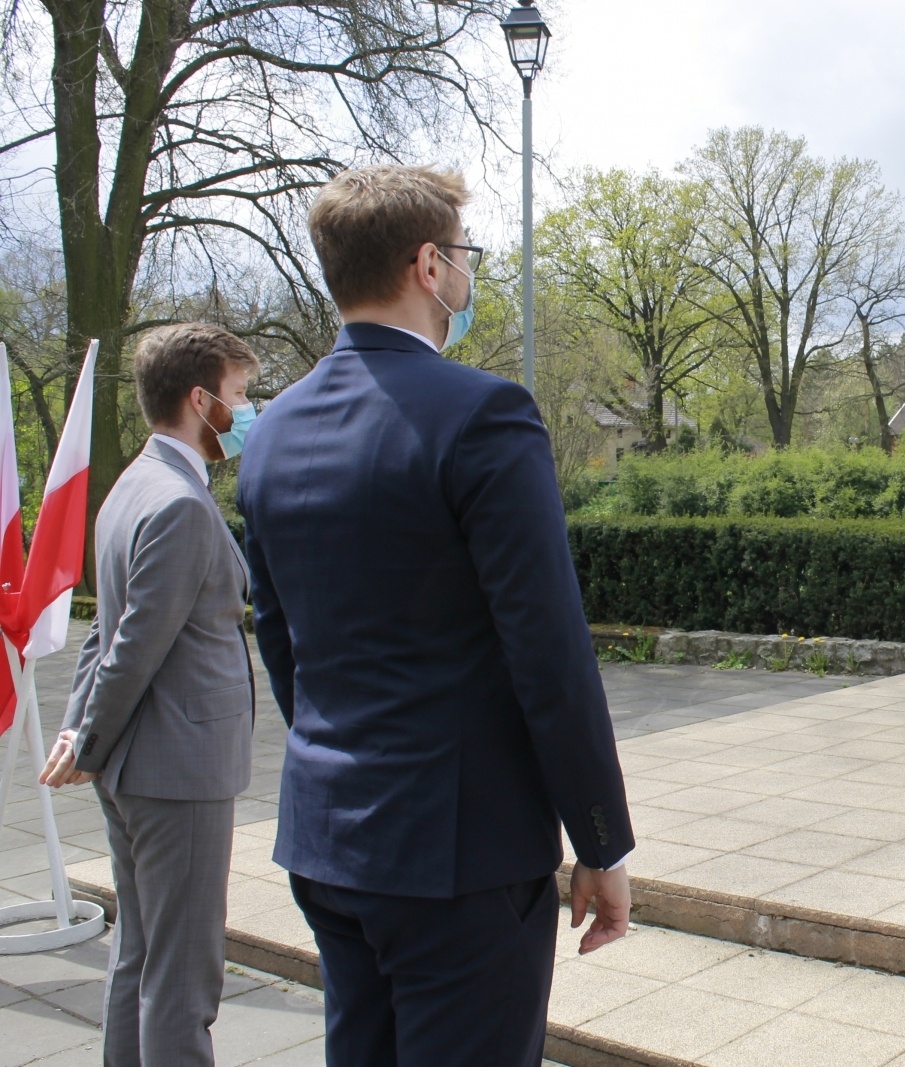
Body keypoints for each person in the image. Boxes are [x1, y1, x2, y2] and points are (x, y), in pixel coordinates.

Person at [235, 164, 634, 1067]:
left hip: (329, 836)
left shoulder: (274, 431)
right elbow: (549, 653)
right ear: (427, 264)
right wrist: (601, 840)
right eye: (462, 255)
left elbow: (280, 636)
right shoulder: (484, 412)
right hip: (460, 857)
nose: (466, 274)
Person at [40, 323, 259, 1067]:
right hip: (178, 773)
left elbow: (106, 628)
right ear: (200, 401)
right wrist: (86, 736)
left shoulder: (129, 488)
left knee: (138, 956)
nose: (245, 409)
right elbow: (133, 641)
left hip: (137, 768)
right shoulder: (180, 505)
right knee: (182, 980)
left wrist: (79, 732)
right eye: (239, 395)